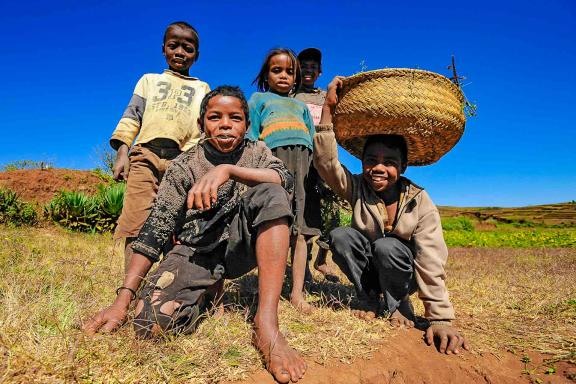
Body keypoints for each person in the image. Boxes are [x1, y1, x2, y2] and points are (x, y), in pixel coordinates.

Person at [83, 86, 307, 383]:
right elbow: (154, 232)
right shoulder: (183, 167)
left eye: (235, 118)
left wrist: (228, 170)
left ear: (247, 125)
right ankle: (206, 292)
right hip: (195, 251)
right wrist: (122, 300)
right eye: (215, 117)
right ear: (202, 125)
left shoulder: (258, 152)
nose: (225, 124)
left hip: (241, 248)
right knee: (150, 323)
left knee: (272, 193)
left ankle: (266, 322)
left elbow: (284, 180)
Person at [314, 77, 469, 354]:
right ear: (362, 163)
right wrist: (327, 108)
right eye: (371, 160)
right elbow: (326, 163)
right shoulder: (358, 187)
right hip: (371, 271)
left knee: (388, 245)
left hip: (403, 275)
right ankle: (369, 298)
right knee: (340, 235)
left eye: (390, 162)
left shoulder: (419, 200)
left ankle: (398, 303)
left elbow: (430, 258)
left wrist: (440, 317)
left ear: (404, 166)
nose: (379, 168)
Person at [110, 21, 210, 272]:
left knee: (175, 221)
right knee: (136, 219)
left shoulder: (202, 88)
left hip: (182, 160)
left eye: (187, 48)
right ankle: (130, 286)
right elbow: (132, 114)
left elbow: (204, 130)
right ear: (163, 49)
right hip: (145, 155)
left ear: (196, 55)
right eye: (173, 46)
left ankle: (164, 286)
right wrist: (123, 152)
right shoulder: (149, 80)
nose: (180, 52)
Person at [248, 48, 320, 314]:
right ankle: (265, 287)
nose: (283, 76)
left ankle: (297, 292)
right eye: (276, 70)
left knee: (301, 229)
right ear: (266, 75)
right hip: (273, 163)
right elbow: (252, 135)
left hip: (304, 165)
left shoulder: (301, 106)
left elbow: (312, 139)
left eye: (290, 71)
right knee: (270, 222)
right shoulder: (258, 99)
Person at [293, 47, 341, 282]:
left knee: (331, 210)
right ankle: (302, 269)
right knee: (302, 213)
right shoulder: (291, 97)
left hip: (323, 160)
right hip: (300, 161)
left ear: (320, 72)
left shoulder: (325, 96)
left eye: (313, 67)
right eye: (304, 66)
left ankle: (322, 258)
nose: (308, 71)